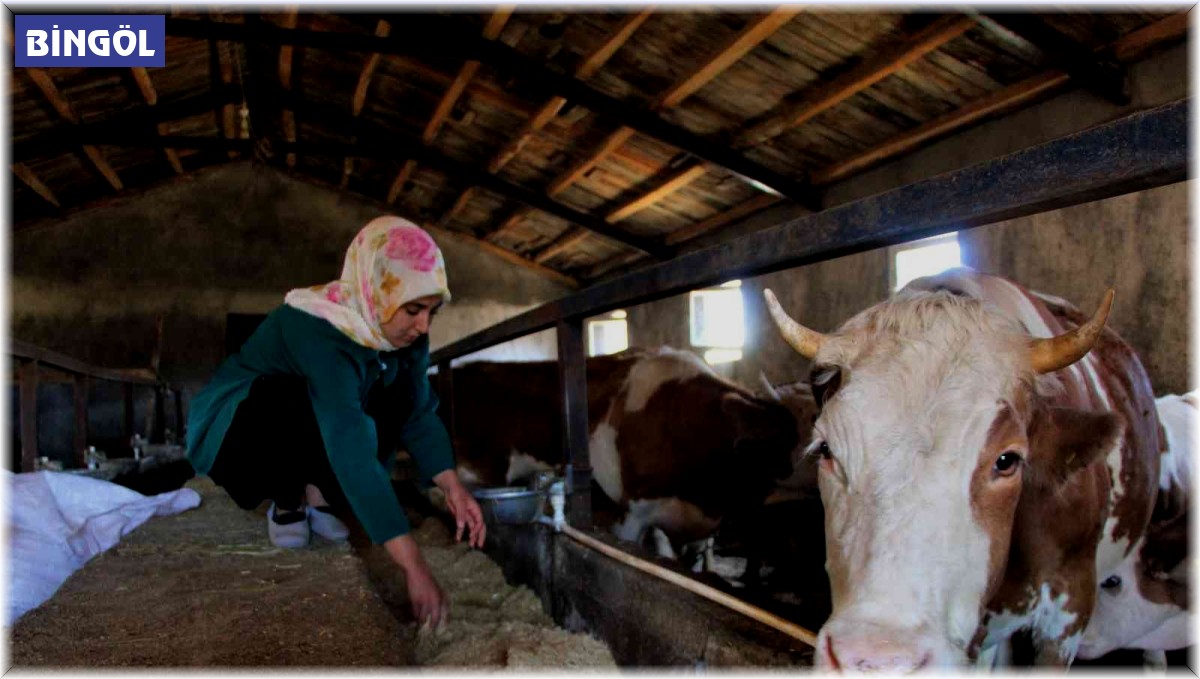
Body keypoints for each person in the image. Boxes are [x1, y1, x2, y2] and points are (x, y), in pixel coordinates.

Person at [186, 215, 485, 628]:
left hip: (318, 418)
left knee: (389, 390)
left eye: (432, 311)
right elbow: (347, 441)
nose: (424, 326)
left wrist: (452, 486)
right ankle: (287, 497)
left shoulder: (404, 335)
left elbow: (416, 410)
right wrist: (413, 565)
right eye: (414, 309)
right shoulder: (317, 325)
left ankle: (317, 492)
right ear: (375, 292)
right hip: (241, 428)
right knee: (291, 393)